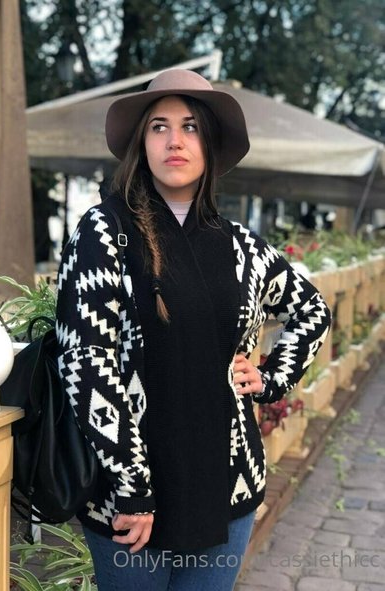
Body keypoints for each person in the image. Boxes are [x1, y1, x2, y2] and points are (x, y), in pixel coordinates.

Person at [55, 69, 331, 590]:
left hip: (228, 488)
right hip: (130, 496)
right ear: (142, 143)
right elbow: (85, 361)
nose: (174, 140)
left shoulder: (241, 245)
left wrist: (271, 378)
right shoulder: (104, 231)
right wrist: (132, 485)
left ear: (210, 143)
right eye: (158, 127)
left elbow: (312, 310)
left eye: (190, 127)